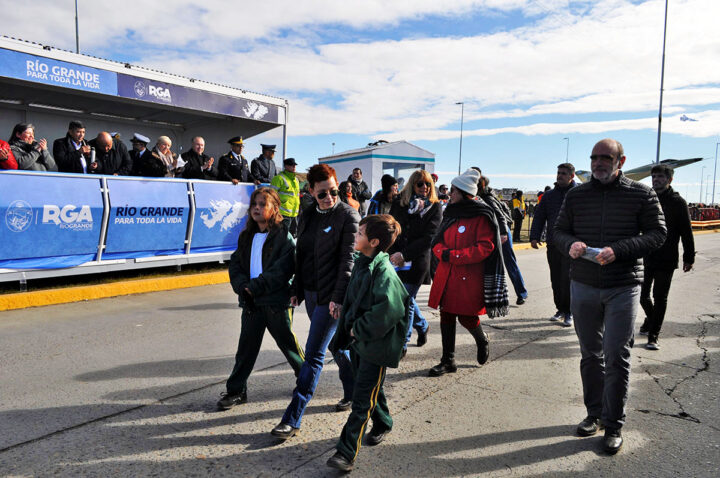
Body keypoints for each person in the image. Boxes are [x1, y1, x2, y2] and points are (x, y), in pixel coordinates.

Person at [554, 138, 666, 454]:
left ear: (621, 160)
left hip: (623, 285)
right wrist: (570, 245)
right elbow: (559, 232)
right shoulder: (577, 195)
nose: (598, 163)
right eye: (594, 158)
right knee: (591, 354)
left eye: (606, 157)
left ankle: (614, 424)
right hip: (584, 285)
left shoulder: (642, 194)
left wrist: (618, 250)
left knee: (617, 354)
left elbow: (658, 234)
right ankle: (595, 414)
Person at [271, 164, 358, 439]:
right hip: (310, 293)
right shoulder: (307, 213)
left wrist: (337, 298)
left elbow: (348, 261)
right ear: (311, 191)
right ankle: (354, 391)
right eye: (322, 194)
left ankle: (292, 417)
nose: (330, 198)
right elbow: (302, 255)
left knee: (313, 355)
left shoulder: (348, 216)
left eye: (334, 191)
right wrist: (296, 287)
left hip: (330, 297)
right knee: (336, 346)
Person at [325, 214, 410, 472]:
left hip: (375, 345)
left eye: (360, 234)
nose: (356, 236)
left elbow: (390, 310)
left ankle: (346, 453)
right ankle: (383, 422)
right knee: (372, 388)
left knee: (362, 400)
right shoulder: (363, 263)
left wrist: (356, 329)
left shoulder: (383, 271)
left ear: (373, 241)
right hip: (360, 342)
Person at [217, 187, 305, 410]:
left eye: (262, 204)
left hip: (276, 303)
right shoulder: (246, 236)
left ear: (274, 208)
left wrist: (253, 287)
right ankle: (236, 391)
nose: (256, 209)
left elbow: (282, 270)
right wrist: (242, 287)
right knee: (245, 348)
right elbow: (235, 265)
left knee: (289, 346)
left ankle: (306, 382)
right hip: (251, 302)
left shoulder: (284, 237)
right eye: (254, 205)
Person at [428, 169, 508, 376]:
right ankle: (448, 360)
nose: (449, 194)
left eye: (453, 190)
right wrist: (440, 252)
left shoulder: (482, 215)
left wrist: (455, 256)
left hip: (468, 277)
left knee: (466, 317)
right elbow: (438, 239)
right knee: (446, 314)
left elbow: (485, 246)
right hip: (447, 274)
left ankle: (481, 340)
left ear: (463, 192)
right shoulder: (450, 213)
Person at [639, 164, 695, 350]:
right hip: (646, 255)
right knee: (642, 296)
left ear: (669, 180)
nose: (656, 180)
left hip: (667, 257)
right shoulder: (647, 199)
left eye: (660, 177)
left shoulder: (678, 202)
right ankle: (651, 319)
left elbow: (686, 231)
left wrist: (689, 257)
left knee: (660, 296)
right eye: (654, 177)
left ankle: (653, 335)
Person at [388, 169, 442, 351]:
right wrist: (394, 254)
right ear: (412, 185)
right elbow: (391, 227)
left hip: (418, 261)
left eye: (428, 184)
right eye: (420, 184)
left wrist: (405, 255)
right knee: (405, 299)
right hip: (396, 259)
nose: (424, 187)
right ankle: (422, 325)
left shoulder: (435, 207)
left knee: (405, 300)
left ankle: (403, 342)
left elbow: (430, 237)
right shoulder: (399, 202)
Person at [530, 163, 577, 326]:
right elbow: (539, 217)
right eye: (558, 173)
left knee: (568, 279)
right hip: (553, 244)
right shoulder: (549, 196)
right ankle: (560, 309)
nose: (560, 176)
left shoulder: (579, 194)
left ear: (572, 176)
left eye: (564, 173)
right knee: (556, 279)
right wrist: (535, 236)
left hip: (573, 246)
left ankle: (569, 311)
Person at [480, 177, 528, 306]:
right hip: (495, 232)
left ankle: (521, 293)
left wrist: (502, 233)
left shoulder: (488, 198)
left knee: (509, 262)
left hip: (502, 233)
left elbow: (500, 216)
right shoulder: (485, 195)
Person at [270, 158, 301, 236]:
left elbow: (296, 196)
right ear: (286, 166)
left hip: (294, 213)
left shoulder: (296, 180)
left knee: (293, 235)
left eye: (294, 165)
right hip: (283, 213)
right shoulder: (278, 178)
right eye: (291, 165)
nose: (294, 167)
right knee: (282, 235)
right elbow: (271, 195)